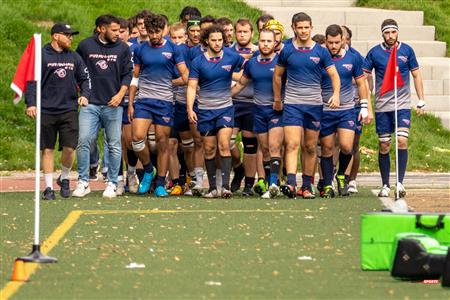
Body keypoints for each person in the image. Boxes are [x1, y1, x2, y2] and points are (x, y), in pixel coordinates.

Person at [273, 12, 340, 199]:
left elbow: (334, 75)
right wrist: (278, 99)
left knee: (310, 147)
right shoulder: (287, 50)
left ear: (311, 28)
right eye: (299, 27)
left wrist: (335, 95)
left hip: (314, 105)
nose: (303, 31)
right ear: (294, 28)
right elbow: (277, 75)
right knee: (292, 144)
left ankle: (307, 185)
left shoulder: (321, 51)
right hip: (293, 104)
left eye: (306, 27)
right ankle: (292, 183)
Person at [25, 23, 90, 200]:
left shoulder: (74, 57)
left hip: (68, 109)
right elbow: (31, 81)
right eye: (67, 35)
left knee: (69, 148)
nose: (71, 38)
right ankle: (48, 188)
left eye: (72, 35)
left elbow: (84, 79)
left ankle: (65, 176)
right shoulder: (41, 55)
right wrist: (31, 103)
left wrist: (84, 95)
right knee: (47, 149)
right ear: (55, 36)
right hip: (46, 109)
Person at [363, 19, 425, 198]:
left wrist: (421, 99)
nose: (390, 36)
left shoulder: (406, 50)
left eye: (393, 32)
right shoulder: (374, 52)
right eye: (387, 32)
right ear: (382, 33)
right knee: (384, 144)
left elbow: (416, 74)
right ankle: (385, 184)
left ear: (397, 32)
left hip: (402, 103)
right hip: (383, 105)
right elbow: (365, 75)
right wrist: (368, 94)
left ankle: (400, 182)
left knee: (402, 140)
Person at [128, 14, 188, 197]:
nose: (154, 35)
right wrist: (131, 103)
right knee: (137, 137)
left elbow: (185, 76)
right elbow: (135, 77)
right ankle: (148, 169)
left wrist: (171, 84)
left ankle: (161, 183)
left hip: (164, 102)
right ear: (145, 30)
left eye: (157, 32)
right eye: (151, 32)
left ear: (164, 30)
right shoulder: (140, 49)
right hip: (144, 100)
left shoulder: (173, 49)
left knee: (163, 143)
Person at [74, 14, 133, 198]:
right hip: (90, 103)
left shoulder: (123, 48)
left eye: (119, 30)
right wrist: (82, 93)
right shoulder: (85, 46)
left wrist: (120, 95)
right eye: (114, 30)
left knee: (114, 144)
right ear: (101, 28)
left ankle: (112, 183)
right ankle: (83, 181)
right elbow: (76, 70)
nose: (118, 34)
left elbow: (128, 75)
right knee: (83, 141)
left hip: (113, 104)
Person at [187, 24, 245, 198]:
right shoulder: (198, 61)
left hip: (225, 109)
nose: (218, 43)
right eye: (214, 40)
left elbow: (250, 66)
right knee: (210, 149)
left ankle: (225, 187)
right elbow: (191, 86)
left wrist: (237, 87)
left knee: (224, 145)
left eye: (220, 40)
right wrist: (190, 108)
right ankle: (213, 188)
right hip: (205, 110)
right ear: (207, 41)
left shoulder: (232, 57)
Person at [231, 28, 284, 199]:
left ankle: (275, 182)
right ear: (258, 42)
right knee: (266, 149)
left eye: (269, 41)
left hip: (277, 111)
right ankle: (270, 184)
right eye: (262, 41)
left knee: (275, 146)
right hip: (258, 111)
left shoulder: (281, 62)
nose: (266, 44)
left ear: (275, 43)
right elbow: (240, 84)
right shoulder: (252, 63)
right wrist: (223, 97)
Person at [319, 24, 370, 198]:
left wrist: (364, 106)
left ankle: (341, 175)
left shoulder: (353, 58)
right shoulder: (320, 58)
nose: (333, 46)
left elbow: (362, 83)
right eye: (330, 42)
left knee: (347, 146)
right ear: (325, 41)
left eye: (337, 42)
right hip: (325, 110)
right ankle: (327, 183)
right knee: (326, 148)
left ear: (343, 41)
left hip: (347, 109)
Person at [228, 18, 260, 196]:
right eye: (239, 32)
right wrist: (241, 73)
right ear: (234, 33)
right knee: (227, 141)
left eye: (245, 32)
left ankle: (248, 183)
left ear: (251, 33)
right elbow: (224, 70)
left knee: (250, 144)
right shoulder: (228, 52)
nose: (242, 35)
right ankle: (237, 167)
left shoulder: (259, 50)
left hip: (252, 103)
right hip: (232, 101)